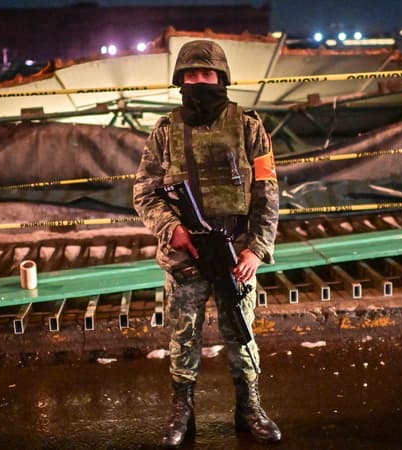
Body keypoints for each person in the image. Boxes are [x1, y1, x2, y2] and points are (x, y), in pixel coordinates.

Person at [133, 39, 281, 447]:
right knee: (183, 337)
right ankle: (182, 411)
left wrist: (255, 249)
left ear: (222, 79)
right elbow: (145, 192)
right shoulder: (165, 132)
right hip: (185, 255)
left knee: (241, 331)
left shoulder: (250, 127)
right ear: (180, 80)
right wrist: (172, 229)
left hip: (236, 253)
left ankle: (249, 407)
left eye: (207, 74)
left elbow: (267, 194)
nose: (199, 81)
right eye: (192, 75)